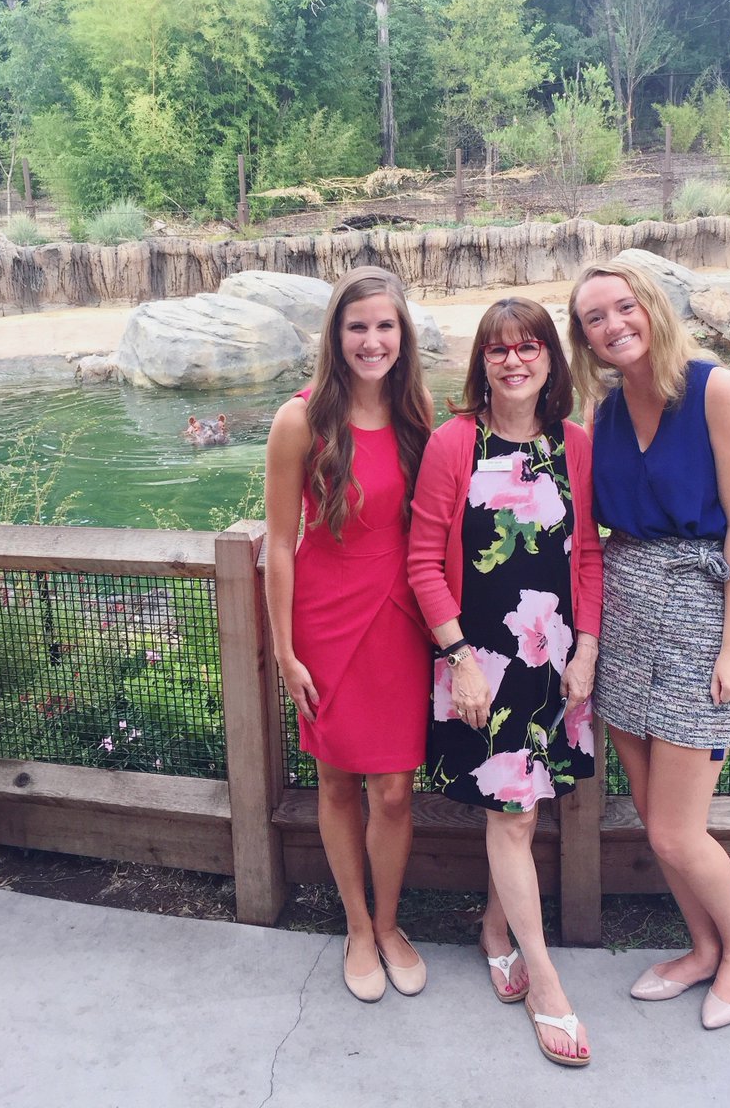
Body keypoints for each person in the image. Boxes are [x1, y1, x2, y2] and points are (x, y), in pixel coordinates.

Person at [568, 258, 730, 1030]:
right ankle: (700, 949)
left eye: (623, 307)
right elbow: (588, 532)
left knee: (679, 831)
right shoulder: (603, 414)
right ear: (582, 337)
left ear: (649, 306)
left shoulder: (715, 389)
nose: (613, 325)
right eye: (593, 318)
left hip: (695, 618)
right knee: (656, 822)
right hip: (622, 621)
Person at [408, 298, 603, 1067]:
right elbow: (422, 561)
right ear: (480, 363)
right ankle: (547, 980)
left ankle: (495, 927)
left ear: (550, 360)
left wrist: (585, 649)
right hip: (479, 668)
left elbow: (587, 554)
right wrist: (457, 657)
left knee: (520, 810)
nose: (513, 360)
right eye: (497, 350)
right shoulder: (455, 442)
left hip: (552, 659)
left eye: (528, 347)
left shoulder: (573, 445)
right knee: (514, 816)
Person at [264, 266, 433, 1003]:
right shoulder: (299, 419)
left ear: (403, 335)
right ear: (336, 335)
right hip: (326, 622)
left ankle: (390, 923)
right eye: (357, 326)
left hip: (402, 621)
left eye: (385, 326)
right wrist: (284, 651)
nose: (372, 340)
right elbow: (278, 539)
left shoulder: (417, 413)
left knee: (394, 789)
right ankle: (357, 928)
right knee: (336, 781)